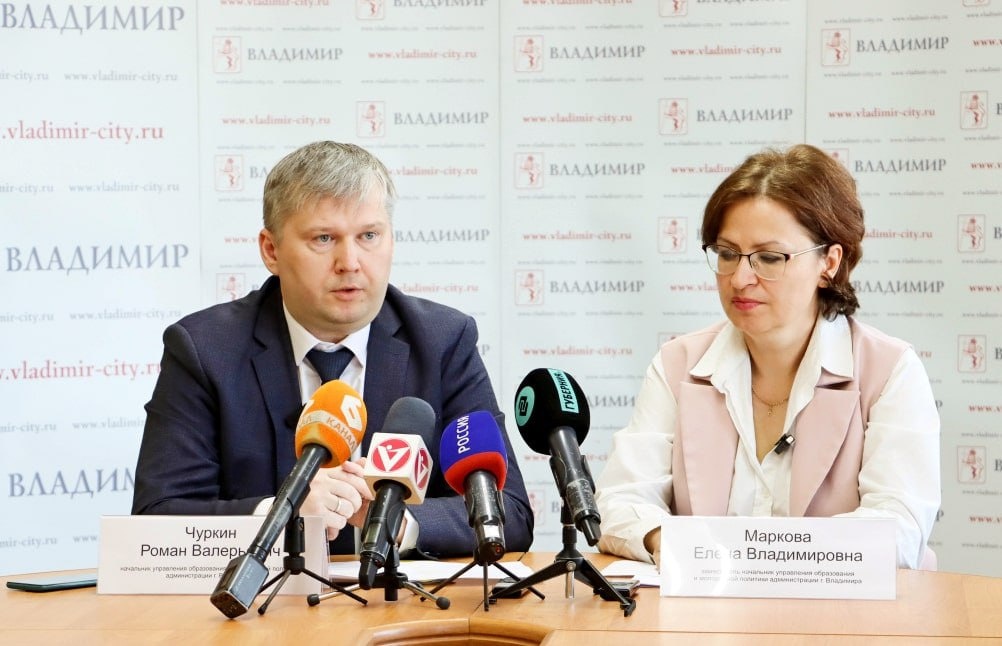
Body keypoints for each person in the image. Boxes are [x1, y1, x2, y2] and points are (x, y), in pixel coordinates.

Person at [132, 141, 533, 558]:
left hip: (398, 596)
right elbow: (156, 520)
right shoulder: (205, 350)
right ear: (271, 250)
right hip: (261, 596)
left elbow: (509, 513)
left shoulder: (442, 341)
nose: (350, 262)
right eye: (324, 238)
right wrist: (280, 514)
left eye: (369, 236)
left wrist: (394, 521)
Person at [595, 144, 940, 570]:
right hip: (707, 609)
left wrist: (757, 559)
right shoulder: (678, 364)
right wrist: (664, 540)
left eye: (769, 258)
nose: (741, 278)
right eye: (727, 254)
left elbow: (899, 529)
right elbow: (620, 499)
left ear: (829, 262)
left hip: (839, 611)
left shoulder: (889, 372)